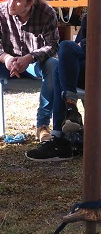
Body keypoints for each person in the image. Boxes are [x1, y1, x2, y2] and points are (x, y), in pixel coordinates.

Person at [0, 0, 59, 146]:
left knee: (53, 65)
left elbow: (53, 45)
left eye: (17, 0)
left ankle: (42, 125)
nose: (10, 3)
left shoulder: (46, 12)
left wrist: (30, 57)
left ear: (29, 3)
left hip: (35, 63)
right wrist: (6, 58)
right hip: (7, 62)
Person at [26, 12, 87, 161]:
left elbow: (81, 46)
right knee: (64, 54)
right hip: (89, 68)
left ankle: (61, 139)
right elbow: (76, 50)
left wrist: (85, 44)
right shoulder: (91, 16)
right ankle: (69, 117)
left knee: (60, 70)